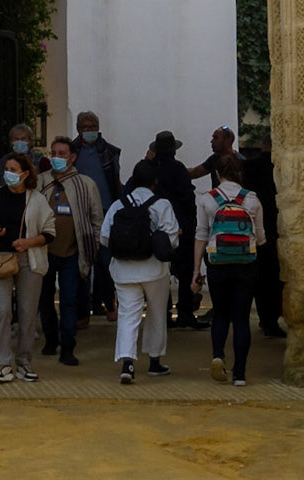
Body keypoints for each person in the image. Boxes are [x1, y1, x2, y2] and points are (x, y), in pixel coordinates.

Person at [101, 159, 180, 384]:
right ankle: (155, 362)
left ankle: (127, 364)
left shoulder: (119, 204)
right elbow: (172, 239)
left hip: (124, 270)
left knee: (127, 315)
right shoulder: (162, 204)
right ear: (155, 181)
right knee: (156, 313)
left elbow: (105, 237)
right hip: (154, 270)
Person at [0, 153, 54, 384]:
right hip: (0, 258)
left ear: (24, 173)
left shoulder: (37, 200)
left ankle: (24, 361)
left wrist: (27, 242)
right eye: (6, 169)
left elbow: (50, 232)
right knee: (2, 310)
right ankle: (2, 364)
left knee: (27, 311)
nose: (8, 173)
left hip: (28, 260)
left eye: (13, 169)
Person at [193, 151, 266, 386]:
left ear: (217, 174)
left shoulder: (208, 199)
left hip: (218, 264)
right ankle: (241, 373)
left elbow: (201, 235)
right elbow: (261, 238)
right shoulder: (252, 199)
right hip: (246, 265)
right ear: (240, 173)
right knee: (242, 319)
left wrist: (196, 271)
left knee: (221, 313)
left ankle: (217, 356)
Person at [36, 136, 102, 367]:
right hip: (43, 252)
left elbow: (96, 218)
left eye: (62, 154)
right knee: (44, 299)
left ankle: (67, 347)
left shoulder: (85, 184)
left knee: (69, 300)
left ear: (72, 157)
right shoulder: (40, 181)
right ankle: (50, 339)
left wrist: (93, 245)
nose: (57, 158)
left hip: (73, 253)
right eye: (54, 153)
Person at [147, 130, 206, 330]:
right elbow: (187, 198)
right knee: (186, 270)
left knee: (161, 272)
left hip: (158, 227)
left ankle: (163, 314)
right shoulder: (178, 169)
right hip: (182, 225)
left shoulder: (151, 169)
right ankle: (185, 313)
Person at [72, 110, 122, 317]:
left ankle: (108, 301)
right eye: (85, 127)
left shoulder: (109, 152)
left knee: (105, 259)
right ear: (78, 129)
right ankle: (83, 310)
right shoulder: (71, 151)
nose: (89, 131)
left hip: (105, 210)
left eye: (92, 127)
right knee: (81, 261)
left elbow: (116, 180)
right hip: (77, 211)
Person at [239, 127, 285, 337]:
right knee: (274, 277)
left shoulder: (249, 166)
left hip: (254, 225)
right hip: (278, 225)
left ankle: (264, 319)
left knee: (260, 276)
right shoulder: (280, 166)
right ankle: (272, 320)